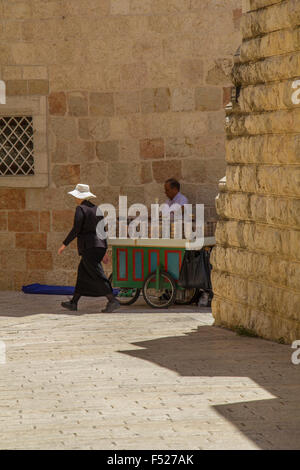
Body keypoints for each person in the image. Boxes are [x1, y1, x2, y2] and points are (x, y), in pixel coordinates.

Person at [58, 183, 120, 313]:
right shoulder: (97, 209)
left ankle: (112, 300)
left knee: (98, 274)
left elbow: (76, 229)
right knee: (82, 274)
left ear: (79, 196)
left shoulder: (80, 209)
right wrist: (104, 250)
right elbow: (103, 231)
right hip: (98, 247)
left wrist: (64, 244)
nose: (75, 198)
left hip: (89, 247)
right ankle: (73, 302)